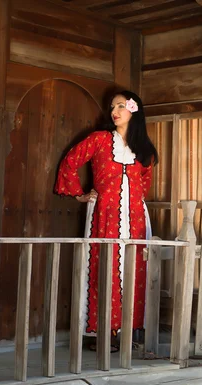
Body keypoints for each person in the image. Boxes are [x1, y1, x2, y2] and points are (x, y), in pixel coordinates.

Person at [54, 91, 158, 352]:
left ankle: (127, 331)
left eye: (121, 106)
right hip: (104, 214)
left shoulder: (145, 150)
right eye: (113, 107)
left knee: (133, 270)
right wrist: (79, 194)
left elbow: (144, 184)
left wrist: (132, 201)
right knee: (104, 268)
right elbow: (70, 161)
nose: (115, 111)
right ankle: (102, 332)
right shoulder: (99, 140)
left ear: (134, 110)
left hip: (134, 218)